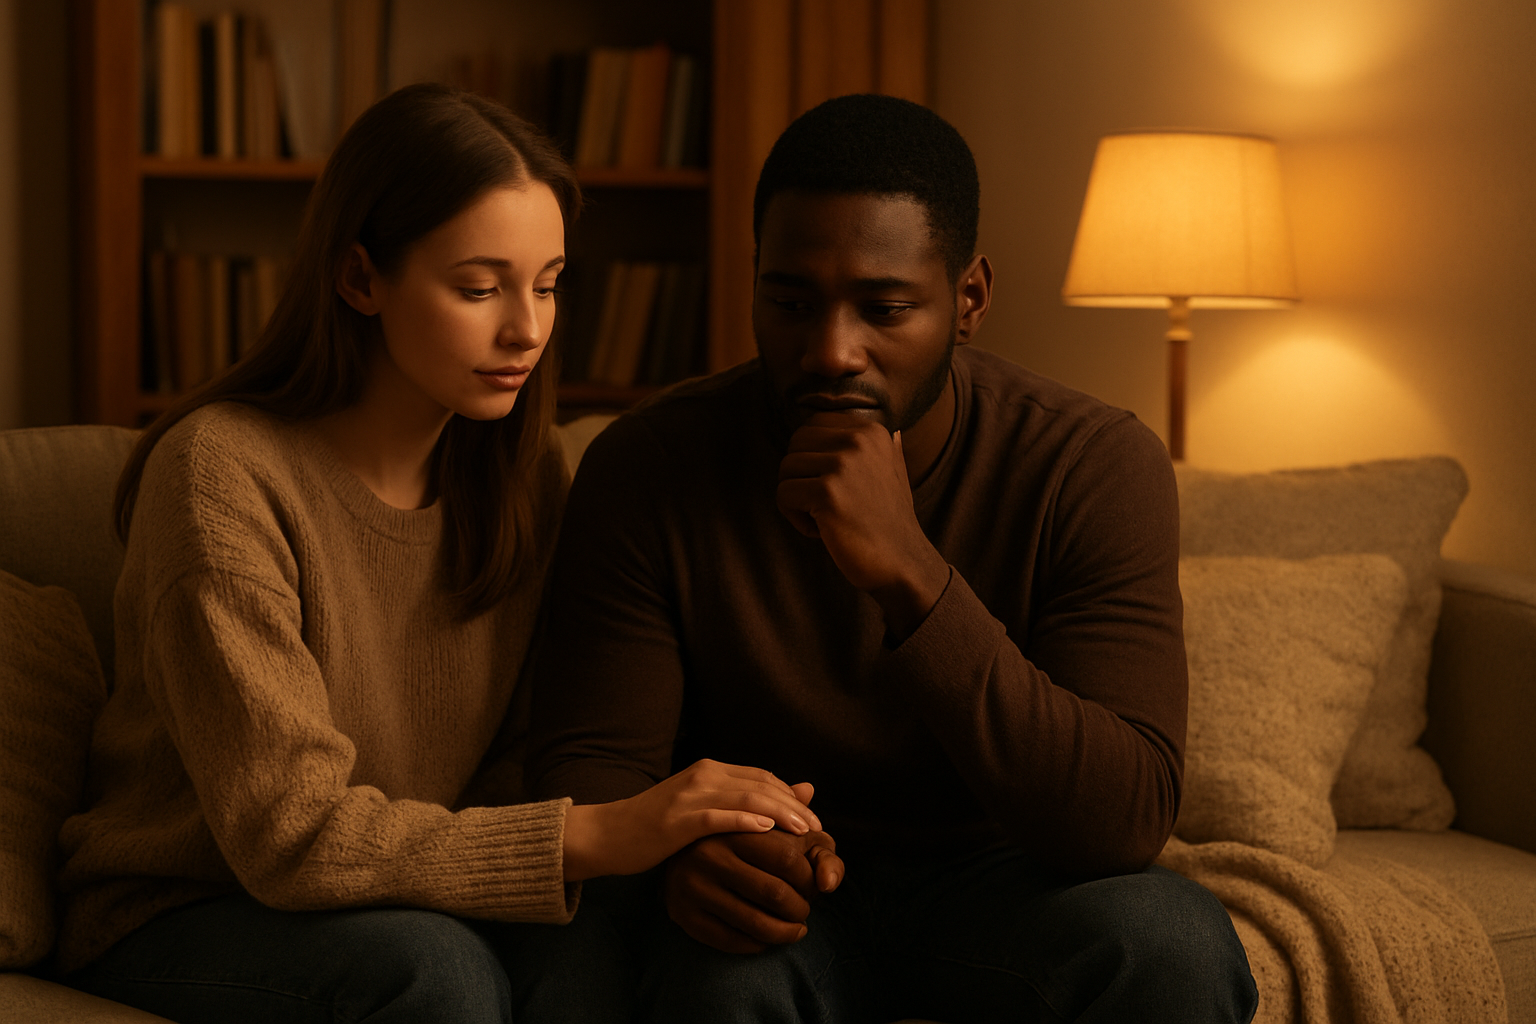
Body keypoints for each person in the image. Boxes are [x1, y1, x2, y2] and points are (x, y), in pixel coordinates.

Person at [56, 83, 820, 1024]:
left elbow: (516, 755)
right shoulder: (220, 475)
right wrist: (601, 833)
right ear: (360, 278)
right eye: (478, 287)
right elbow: (285, 834)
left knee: (590, 954)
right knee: (437, 973)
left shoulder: (520, 473)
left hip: (412, 886)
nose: (528, 329)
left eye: (547, 284)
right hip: (188, 904)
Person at [528, 94, 1260, 1023]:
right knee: (716, 978)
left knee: (1174, 941)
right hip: (780, 886)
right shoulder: (649, 464)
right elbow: (587, 772)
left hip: (1009, 881)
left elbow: (1122, 819)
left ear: (969, 300)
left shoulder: (1092, 464)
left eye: (884, 307)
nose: (831, 351)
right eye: (790, 302)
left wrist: (908, 570)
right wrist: (679, 858)